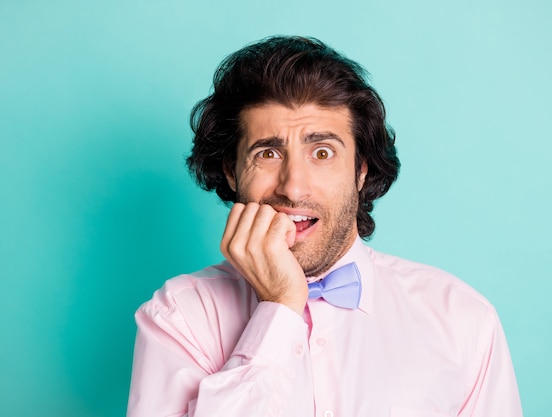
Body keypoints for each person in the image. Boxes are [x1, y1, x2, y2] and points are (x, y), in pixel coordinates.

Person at [127, 36, 523, 417]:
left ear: (361, 171)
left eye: (322, 152)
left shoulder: (462, 319)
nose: (293, 186)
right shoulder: (178, 317)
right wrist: (279, 307)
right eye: (267, 153)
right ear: (232, 172)